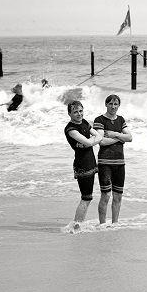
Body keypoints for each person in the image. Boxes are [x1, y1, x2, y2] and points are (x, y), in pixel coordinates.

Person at [63, 100, 103, 234]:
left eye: (80, 111)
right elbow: (90, 140)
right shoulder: (70, 129)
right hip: (82, 165)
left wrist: (90, 142)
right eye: (75, 112)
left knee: (88, 197)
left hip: (91, 162)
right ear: (69, 114)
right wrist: (91, 142)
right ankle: (76, 227)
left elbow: (98, 136)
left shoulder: (84, 122)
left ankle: (77, 225)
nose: (79, 114)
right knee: (86, 197)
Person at [93, 94, 132, 226]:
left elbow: (130, 137)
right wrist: (121, 138)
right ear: (106, 104)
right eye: (111, 104)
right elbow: (102, 141)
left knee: (118, 196)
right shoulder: (99, 120)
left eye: (116, 104)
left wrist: (115, 134)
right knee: (106, 195)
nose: (113, 107)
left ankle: (115, 224)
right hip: (105, 162)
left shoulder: (121, 120)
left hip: (120, 163)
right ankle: (102, 224)